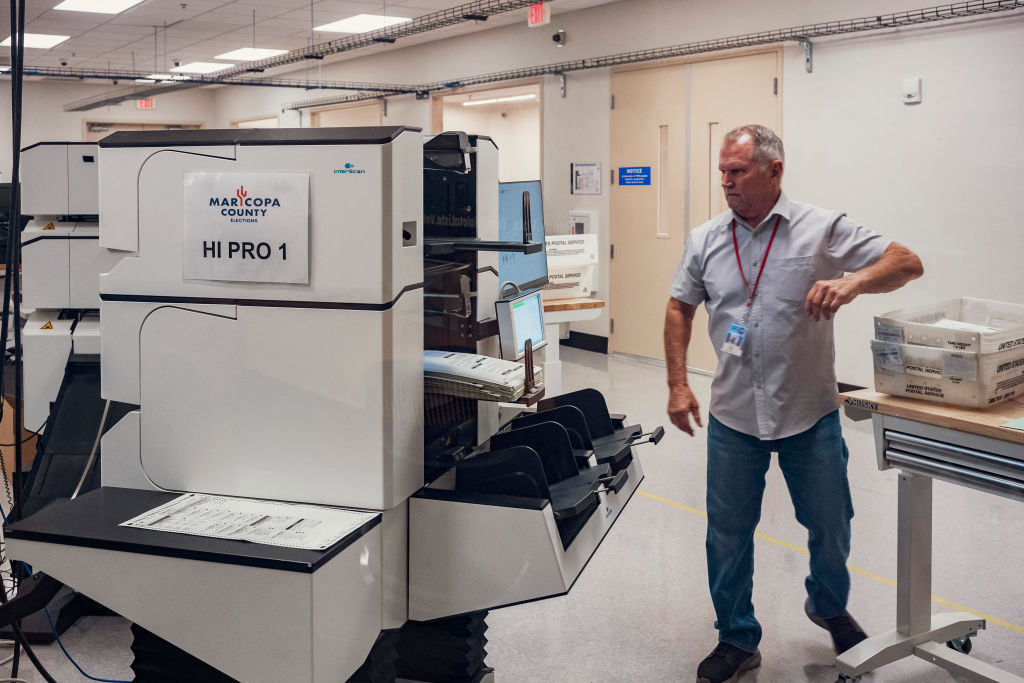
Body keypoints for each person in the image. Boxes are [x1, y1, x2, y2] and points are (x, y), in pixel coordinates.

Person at [664, 125, 923, 683]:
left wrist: (854, 282)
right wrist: (678, 383)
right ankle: (737, 636)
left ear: (774, 170)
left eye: (737, 171)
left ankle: (827, 605)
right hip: (734, 413)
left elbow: (906, 261)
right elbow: (679, 308)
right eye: (722, 171)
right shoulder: (706, 237)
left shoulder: (822, 228)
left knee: (831, 524)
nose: (725, 182)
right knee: (727, 532)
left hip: (810, 410)